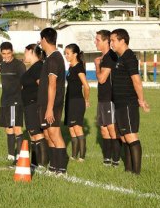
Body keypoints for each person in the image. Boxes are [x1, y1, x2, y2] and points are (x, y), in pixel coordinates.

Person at [110, 28, 150, 175]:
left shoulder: (129, 57)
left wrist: (141, 100)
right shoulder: (119, 58)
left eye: (113, 40)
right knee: (124, 137)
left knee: (131, 135)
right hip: (119, 103)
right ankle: (128, 169)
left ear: (122, 41)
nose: (111, 43)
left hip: (128, 102)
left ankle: (136, 172)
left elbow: (136, 81)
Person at [37, 27, 67, 175]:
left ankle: (61, 169)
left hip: (52, 104)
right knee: (48, 135)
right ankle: (53, 167)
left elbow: (53, 85)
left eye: (40, 40)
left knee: (55, 134)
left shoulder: (55, 58)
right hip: (44, 103)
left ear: (44, 39)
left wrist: (49, 108)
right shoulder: (49, 58)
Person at [94, 30, 122, 167]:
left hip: (110, 98)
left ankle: (116, 161)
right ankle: (107, 159)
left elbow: (101, 78)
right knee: (104, 129)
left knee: (112, 130)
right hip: (102, 98)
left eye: (98, 40)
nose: (95, 42)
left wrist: (97, 65)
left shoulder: (110, 56)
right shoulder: (104, 57)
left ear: (106, 41)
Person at [0, 42, 26, 166]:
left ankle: (20, 156)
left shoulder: (19, 65)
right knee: (8, 128)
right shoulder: (2, 65)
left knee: (16, 128)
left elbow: (24, 83)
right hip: (4, 101)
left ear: (12, 52)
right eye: (4, 54)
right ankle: (10, 155)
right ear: (1, 53)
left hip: (15, 101)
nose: (6, 56)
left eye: (8, 53)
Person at [21, 43, 48, 170]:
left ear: (31, 51)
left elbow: (43, 86)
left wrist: (41, 106)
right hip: (28, 104)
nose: (24, 55)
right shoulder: (33, 67)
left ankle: (42, 164)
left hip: (34, 104)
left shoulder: (38, 67)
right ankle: (34, 163)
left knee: (37, 134)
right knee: (32, 134)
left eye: (25, 52)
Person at [64, 43, 90, 162]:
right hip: (69, 101)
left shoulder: (79, 67)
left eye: (68, 53)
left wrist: (86, 100)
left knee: (77, 128)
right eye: (65, 53)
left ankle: (82, 157)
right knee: (71, 128)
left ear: (75, 54)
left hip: (77, 101)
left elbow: (86, 86)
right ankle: (74, 155)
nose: (66, 55)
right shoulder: (70, 67)